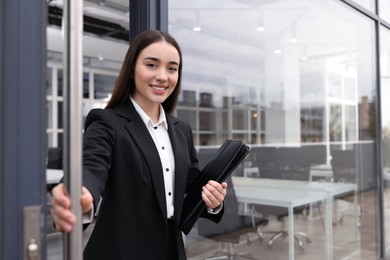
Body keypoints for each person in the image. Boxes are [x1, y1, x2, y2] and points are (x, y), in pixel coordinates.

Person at [50, 30, 228, 260]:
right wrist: (79, 193)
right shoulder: (107, 122)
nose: (163, 76)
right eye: (152, 65)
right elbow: (91, 166)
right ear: (132, 69)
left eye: (172, 68)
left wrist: (214, 201)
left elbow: (192, 184)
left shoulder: (181, 129)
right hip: (122, 251)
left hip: (172, 251)